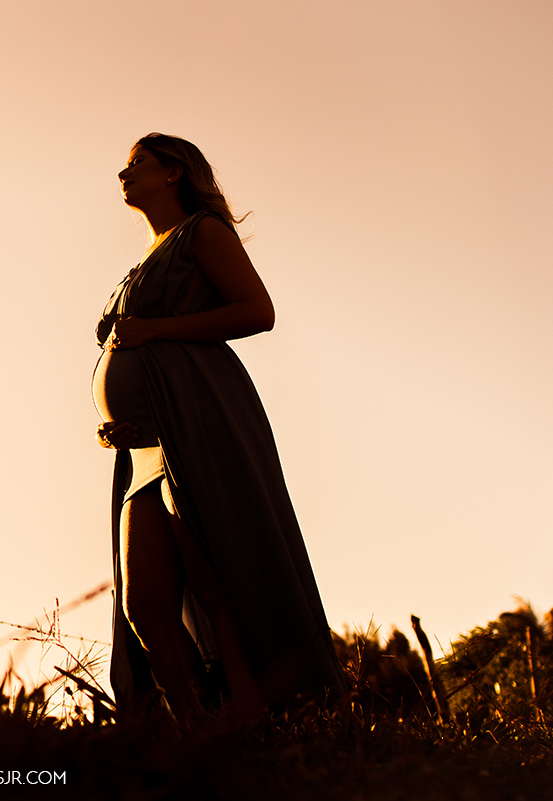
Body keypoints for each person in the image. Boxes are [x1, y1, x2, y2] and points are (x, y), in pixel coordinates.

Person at [93, 134, 344, 724]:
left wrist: (153, 331)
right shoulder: (147, 256)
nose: (123, 174)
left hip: (195, 423)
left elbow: (258, 311)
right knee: (146, 605)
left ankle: (262, 721)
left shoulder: (200, 232)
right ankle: (201, 734)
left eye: (138, 164)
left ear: (175, 172)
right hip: (145, 447)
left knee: (217, 581)